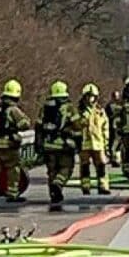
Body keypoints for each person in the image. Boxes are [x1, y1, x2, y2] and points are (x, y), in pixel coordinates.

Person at [0, 79, 32, 203]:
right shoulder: (13, 109)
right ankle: (12, 193)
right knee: (13, 169)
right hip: (9, 144)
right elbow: (25, 123)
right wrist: (15, 127)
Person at [36, 80, 81, 210]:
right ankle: (58, 184)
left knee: (52, 170)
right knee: (66, 168)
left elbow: (38, 127)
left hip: (48, 145)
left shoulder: (44, 108)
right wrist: (78, 142)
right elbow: (77, 127)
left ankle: (54, 194)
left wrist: (38, 145)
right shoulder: (70, 108)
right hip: (64, 146)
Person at [77, 83, 111, 196]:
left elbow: (105, 127)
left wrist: (106, 143)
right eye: (88, 96)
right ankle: (86, 186)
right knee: (85, 165)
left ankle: (103, 186)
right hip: (84, 144)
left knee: (101, 164)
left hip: (98, 143)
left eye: (92, 96)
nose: (90, 99)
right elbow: (75, 125)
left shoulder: (100, 111)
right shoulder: (79, 111)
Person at [105, 90, 121, 167]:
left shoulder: (109, 106)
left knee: (114, 143)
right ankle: (114, 159)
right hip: (114, 127)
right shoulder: (121, 106)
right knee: (115, 144)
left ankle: (114, 158)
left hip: (115, 127)